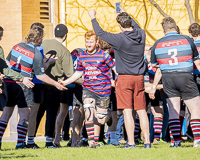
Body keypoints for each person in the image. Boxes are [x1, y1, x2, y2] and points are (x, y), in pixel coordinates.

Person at [88, 9, 150, 148]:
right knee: (141, 110)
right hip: (139, 78)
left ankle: (132, 143)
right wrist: (127, 14)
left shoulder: (120, 38)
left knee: (127, 110)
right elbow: (137, 26)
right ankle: (147, 142)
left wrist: (93, 17)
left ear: (120, 26)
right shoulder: (141, 34)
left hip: (124, 78)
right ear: (130, 23)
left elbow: (100, 33)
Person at [0, 26, 65, 149]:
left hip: (9, 82)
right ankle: (20, 143)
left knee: (6, 113)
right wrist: (55, 83)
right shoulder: (35, 53)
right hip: (24, 84)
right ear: (40, 38)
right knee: (25, 115)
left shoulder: (16, 46)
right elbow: (40, 75)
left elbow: (7, 63)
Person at [59, 30, 117, 148]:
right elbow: (78, 73)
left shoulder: (104, 55)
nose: (89, 44)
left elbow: (115, 68)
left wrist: (119, 81)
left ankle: (108, 117)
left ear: (96, 42)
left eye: (91, 41)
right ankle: (92, 141)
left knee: (100, 120)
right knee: (88, 112)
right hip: (88, 88)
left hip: (103, 90)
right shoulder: (82, 56)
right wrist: (65, 82)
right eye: (87, 41)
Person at [149, 17, 200, 148]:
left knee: (173, 111)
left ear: (163, 29)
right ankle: (197, 140)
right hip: (185, 76)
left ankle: (175, 141)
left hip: (168, 78)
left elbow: (157, 68)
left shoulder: (157, 44)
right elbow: (197, 61)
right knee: (195, 108)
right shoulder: (187, 40)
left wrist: (154, 86)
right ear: (176, 27)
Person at [42, 24, 81, 148]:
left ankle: (29, 140)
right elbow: (70, 74)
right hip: (57, 84)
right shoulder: (64, 51)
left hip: (40, 82)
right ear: (65, 36)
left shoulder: (43, 43)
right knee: (53, 113)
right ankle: (51, 141)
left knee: (37, 113)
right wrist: (88, 81)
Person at [26, 23, 58, 149]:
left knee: (25, 113)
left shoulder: (23, 47)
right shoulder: (38, 48)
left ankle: (21, 141)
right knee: (33, 113)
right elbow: (41, 69)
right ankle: (30, 141)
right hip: (37, 83)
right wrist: (49, 62)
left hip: (24, 81)